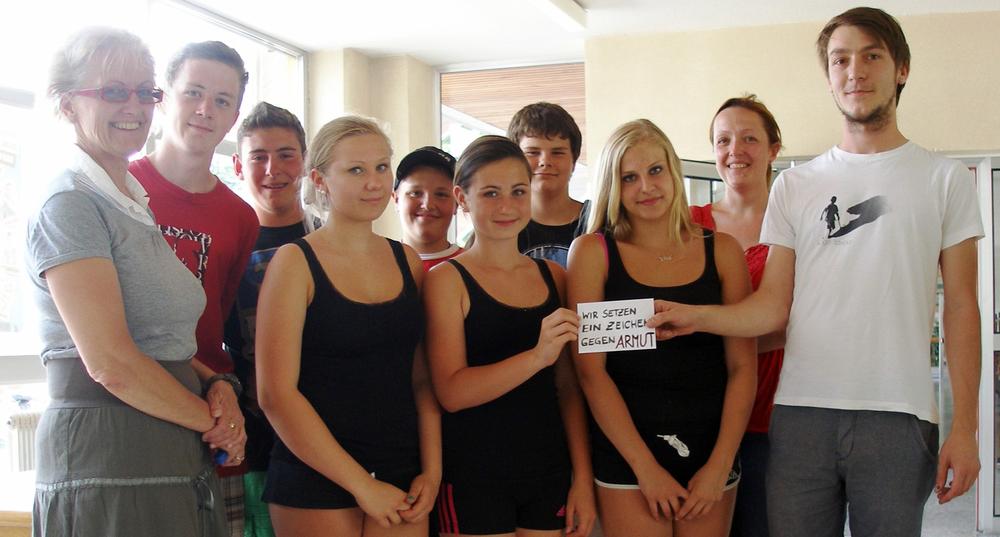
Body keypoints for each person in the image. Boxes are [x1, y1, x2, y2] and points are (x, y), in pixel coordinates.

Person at [647, 8, 982, 537]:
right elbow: (772, 306)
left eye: (872, 56)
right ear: (828, 76)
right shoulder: (795, 185)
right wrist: (695, 317)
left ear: (901, 69)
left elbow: (961, 306)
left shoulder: (944, 179)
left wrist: (966, 427)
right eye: (840, 60)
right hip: (800, 415)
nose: (855, 71)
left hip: (899, 415)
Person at [27, 27, 233, 536]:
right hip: (108, 453)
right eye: (115, 91)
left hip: (167, 444)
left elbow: (158, 338)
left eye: (146, 92)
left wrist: (217, 385)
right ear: (67, 104)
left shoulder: (129, 200)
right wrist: (212, 422)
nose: (135, 107)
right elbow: (111, 363)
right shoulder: (70, 202)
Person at [567, 119, 755, 537]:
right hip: (627, 454)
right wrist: (645, 469)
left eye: (655, 170)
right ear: (612, 185)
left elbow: (743, 367)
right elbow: (591, 373)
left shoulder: (723, 251)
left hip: (712, 451)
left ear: (673, 171)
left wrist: (720, 464)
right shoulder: (592, 252)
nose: (646, 187)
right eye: (628, 177)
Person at [256, 116, 439, 536]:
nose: (374, 182)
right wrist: (361, 485)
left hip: (400, 467)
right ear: (320, 180)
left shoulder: (408, 261)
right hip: (314, 470)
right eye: (356, 170)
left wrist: (432, 470)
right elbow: (276, 394)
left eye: (381, 167)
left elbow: (421, 379)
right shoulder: (293, 262)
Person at [424, 135, 596, 537]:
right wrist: (536, 356)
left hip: (548, 469)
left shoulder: (555, 276)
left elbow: (568, 389)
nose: (507, 206)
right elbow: (451, 392)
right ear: (462, 198)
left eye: (518, 191)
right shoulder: (446, 281)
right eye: (491, 193)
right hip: (473, 474)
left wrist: (583, 479)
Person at [129, 40, 259, 536]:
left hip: (211, 416)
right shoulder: (119, 189)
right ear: (164, 97)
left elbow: (216, 322)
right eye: (194, 92)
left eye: (222, 100)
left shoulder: (240, 217)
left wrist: (221, 395)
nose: (206, 110)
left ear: (233, 117)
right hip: (131, 408)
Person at [689, 95, 784, 537]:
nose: (734, 151)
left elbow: (799, 324)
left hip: (775, 417)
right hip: (701, 412)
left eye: (749, 139)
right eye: (723, 140)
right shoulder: (687, 225)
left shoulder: (795, 226)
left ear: (773, 149)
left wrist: (699, 334)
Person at [225, 101, 312, 537]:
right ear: (239, 165)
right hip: (254, 444)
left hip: (329, 438)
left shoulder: (331, 241)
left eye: (285, 155)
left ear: (305, 161)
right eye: (258, 156)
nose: (272, 169)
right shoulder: (227, 247)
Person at [508, 102, 590, 267]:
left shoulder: (599, 221)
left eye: (557, 152)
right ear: (515, 160)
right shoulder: (501, 225)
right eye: (533, 152)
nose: (545, 161)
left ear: (574, 161)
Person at [391, 146, 461, 270]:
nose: (428, 205)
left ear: (457, 203)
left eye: (441, 194)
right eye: (415, 193)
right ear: (396, 199)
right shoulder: (374, 267)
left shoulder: (476, 269)